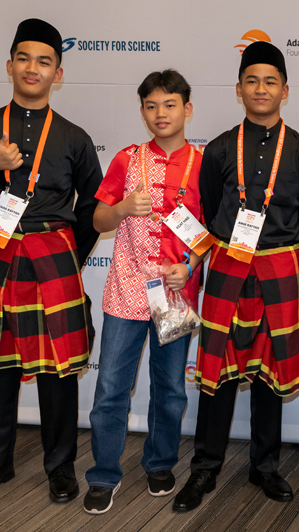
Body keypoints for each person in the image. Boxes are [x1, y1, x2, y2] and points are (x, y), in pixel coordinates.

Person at [0, 18, 103, 503]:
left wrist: (65, 253)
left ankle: (61, 468)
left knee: (59, 370)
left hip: (51, 255)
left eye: (44, 61)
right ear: (9, 65)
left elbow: (93, 206)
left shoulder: (74, 136)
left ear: (58, 73)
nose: (32, 68)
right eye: (24, 58)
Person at [171, 41, 299, 511]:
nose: (261, 89)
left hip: (280, 268)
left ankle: (265, 467)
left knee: (271, 372)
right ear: (239, 90)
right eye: (252, 81)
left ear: (285, 90)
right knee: (215, 372)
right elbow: (207, 207)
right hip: (227, 267)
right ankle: (204, 469)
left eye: (270, 81)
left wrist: (294, 269)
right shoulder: (217, 149)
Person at [83, 70, 206, 514]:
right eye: (151, 106)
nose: (161, 114)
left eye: (170, 105)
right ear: (142, 111)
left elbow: (210, 231)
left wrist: (188, 266)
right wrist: (119, 208)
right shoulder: (125, 159)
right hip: (125, 292)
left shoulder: (203, 163)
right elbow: (97, 221)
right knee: (111, 388)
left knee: (170, 387)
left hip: (174, 296)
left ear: (187, 109)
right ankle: (103, 475)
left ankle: (159, 462)